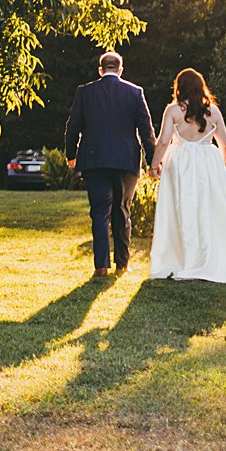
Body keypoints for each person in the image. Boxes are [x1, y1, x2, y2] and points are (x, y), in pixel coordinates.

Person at [147, 69, 226, 284]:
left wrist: (154, 166)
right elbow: (224, 143)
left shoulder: (173, 111)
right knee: (208, 210)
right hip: (207, 164)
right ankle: (206, 259)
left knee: (180, 210)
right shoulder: (213, 112)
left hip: (180, 164)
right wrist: (217, 166)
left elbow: (163, 142)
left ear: (179, 87)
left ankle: (181, 260)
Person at [63, 50, 157, 279]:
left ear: (100, 70)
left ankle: (101, 266)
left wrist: (71, 154)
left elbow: (72, 125)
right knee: (122, 210)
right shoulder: (135, 93)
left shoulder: (85, 92)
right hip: (125, 160)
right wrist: (153, 161)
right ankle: (122, 265)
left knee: (99, 212)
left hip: (94, 160)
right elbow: (146, 130)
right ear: (120, 69)